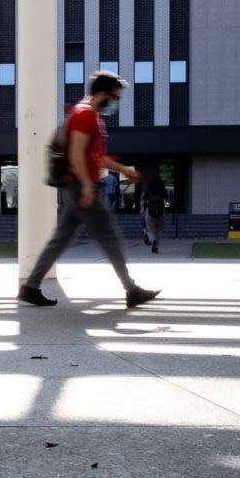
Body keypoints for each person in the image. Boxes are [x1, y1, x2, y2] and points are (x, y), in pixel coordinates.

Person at [20, 72, 159, 309]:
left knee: (61, 239)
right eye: (114, 97)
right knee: (110, 238)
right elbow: (76, 153)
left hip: (78, 186)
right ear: (103, 94)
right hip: (82, 187)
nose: (115, 102)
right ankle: (131, 289)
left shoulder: (91, 115)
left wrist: (124, 169)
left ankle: (30, 287)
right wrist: (86, 185)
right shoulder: (84, 114)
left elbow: (96, 157)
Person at [142, 166, 172, 254]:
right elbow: (167, 199)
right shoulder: (162, 190)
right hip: (160, 211)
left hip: (150, 210)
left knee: (150, 228)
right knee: (158, 230)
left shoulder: (149, 189)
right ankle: (156, 246)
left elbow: (144, 199)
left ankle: (152, 240)